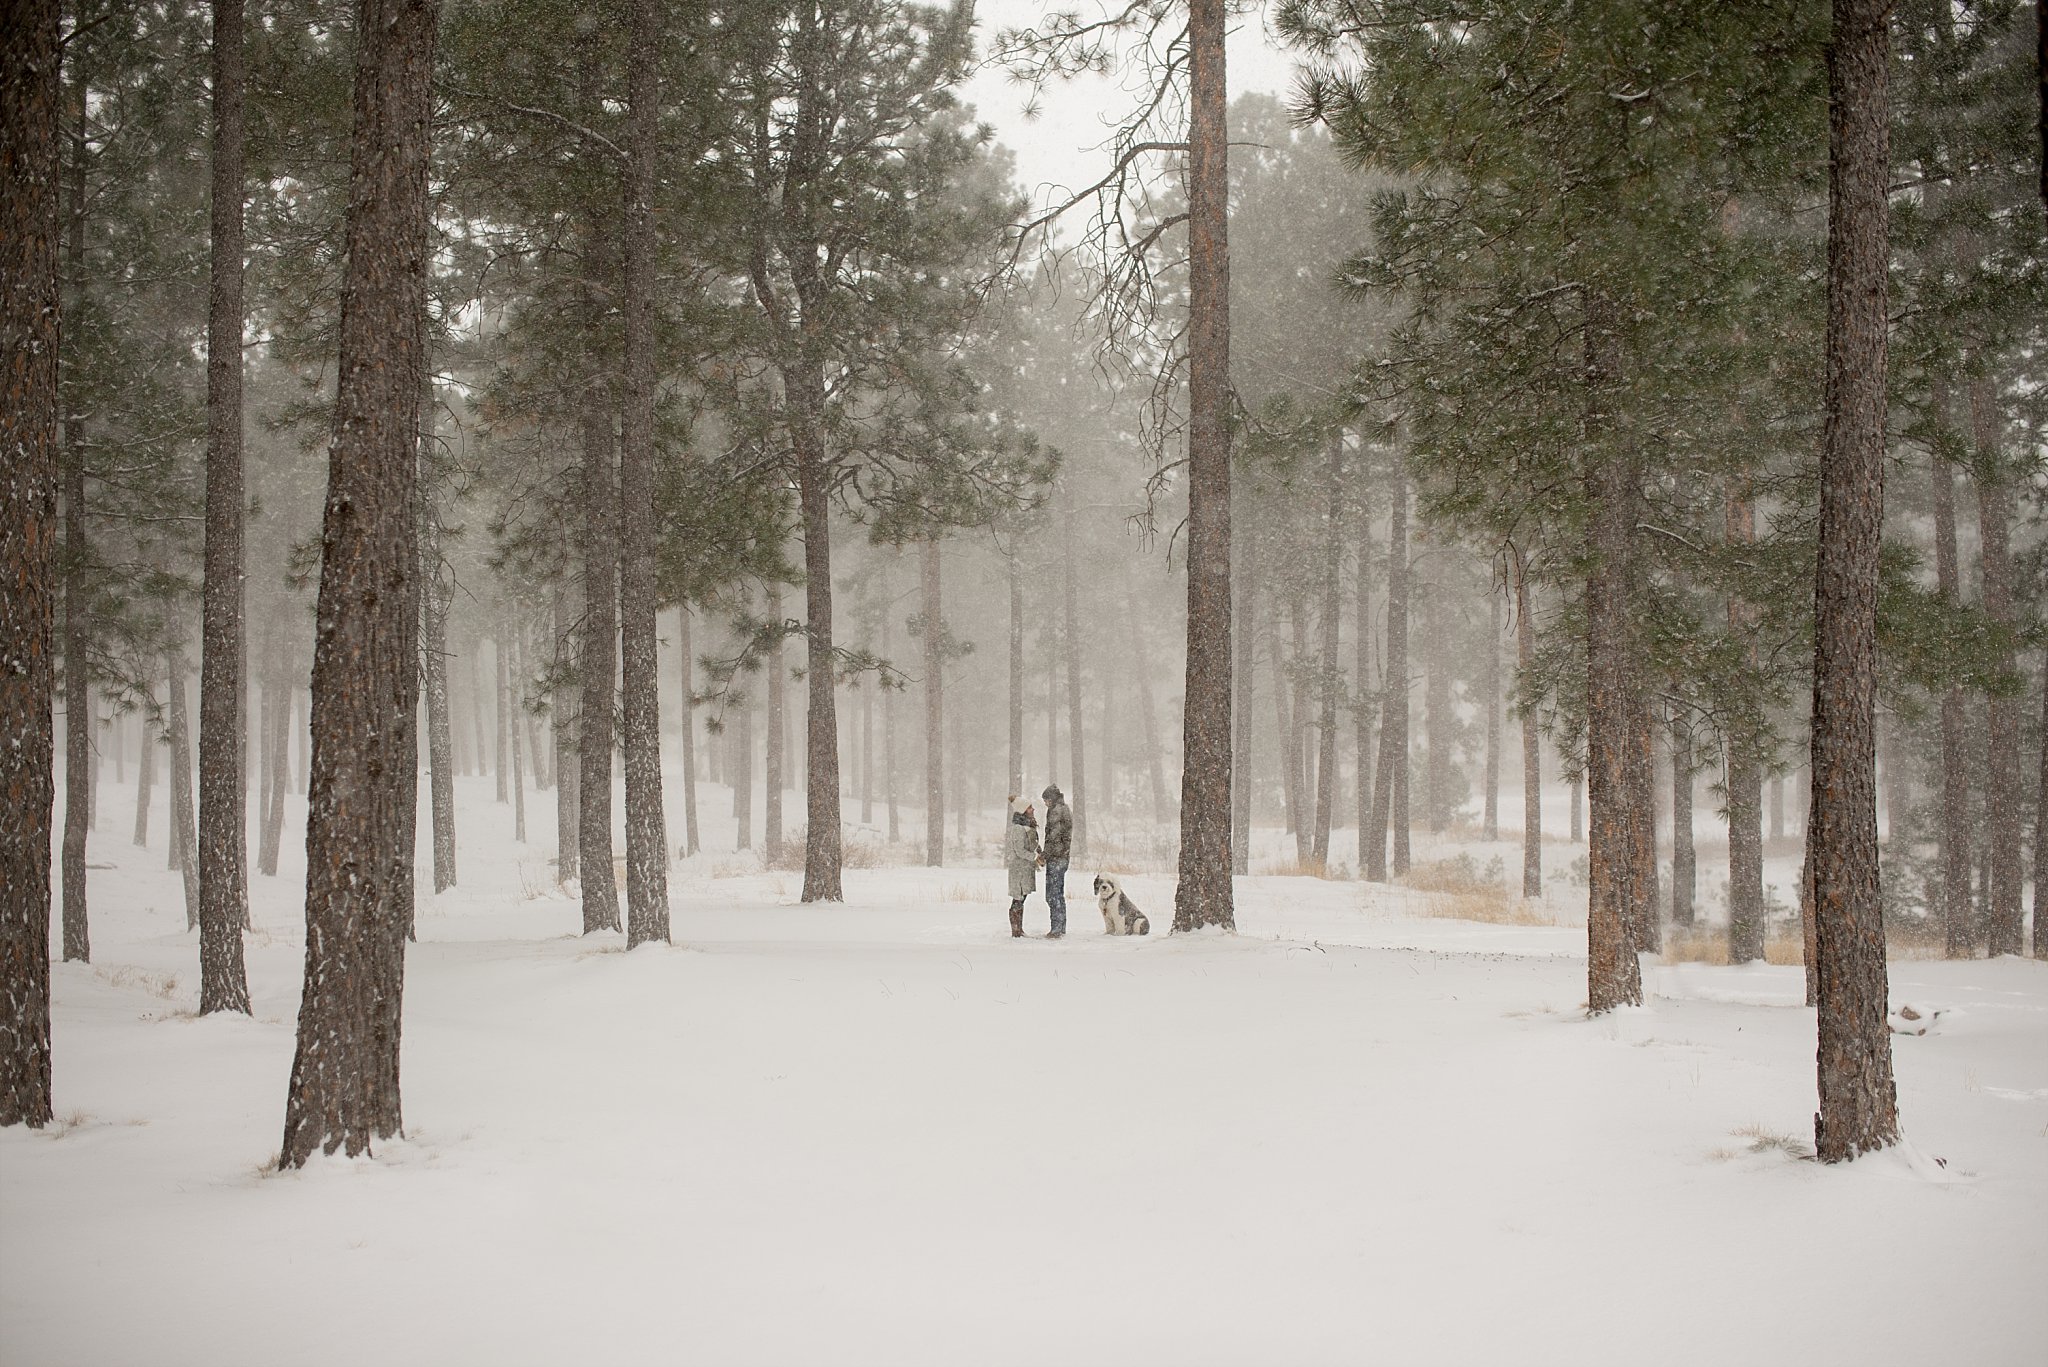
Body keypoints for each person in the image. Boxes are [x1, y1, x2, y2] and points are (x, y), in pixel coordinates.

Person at [1003, 795, 1040, 938]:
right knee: (1018, 898)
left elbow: (1031, 845)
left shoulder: (1027, 826)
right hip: (1019, 869)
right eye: (1030, 807)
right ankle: (1016, 931)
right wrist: (1035, 857)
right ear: (1023, 810)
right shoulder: (1018, 828)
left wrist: (1038, 852)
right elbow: (1019, 850)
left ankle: (1019, 929)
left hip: (1025, 868)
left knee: (1022, 897)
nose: (1033, 809)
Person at [1039, 783, 1072, 939]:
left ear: (1050, 799)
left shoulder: (1056, 811)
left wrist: (1045, 855)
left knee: (1052, 895)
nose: (1045, 803)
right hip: (1063, 857)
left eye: (1046, 800)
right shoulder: (1064, 808)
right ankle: (1061, 926)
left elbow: (1053, 837)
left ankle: (1056, 929)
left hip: (1056, 857)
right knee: (1058, 893)